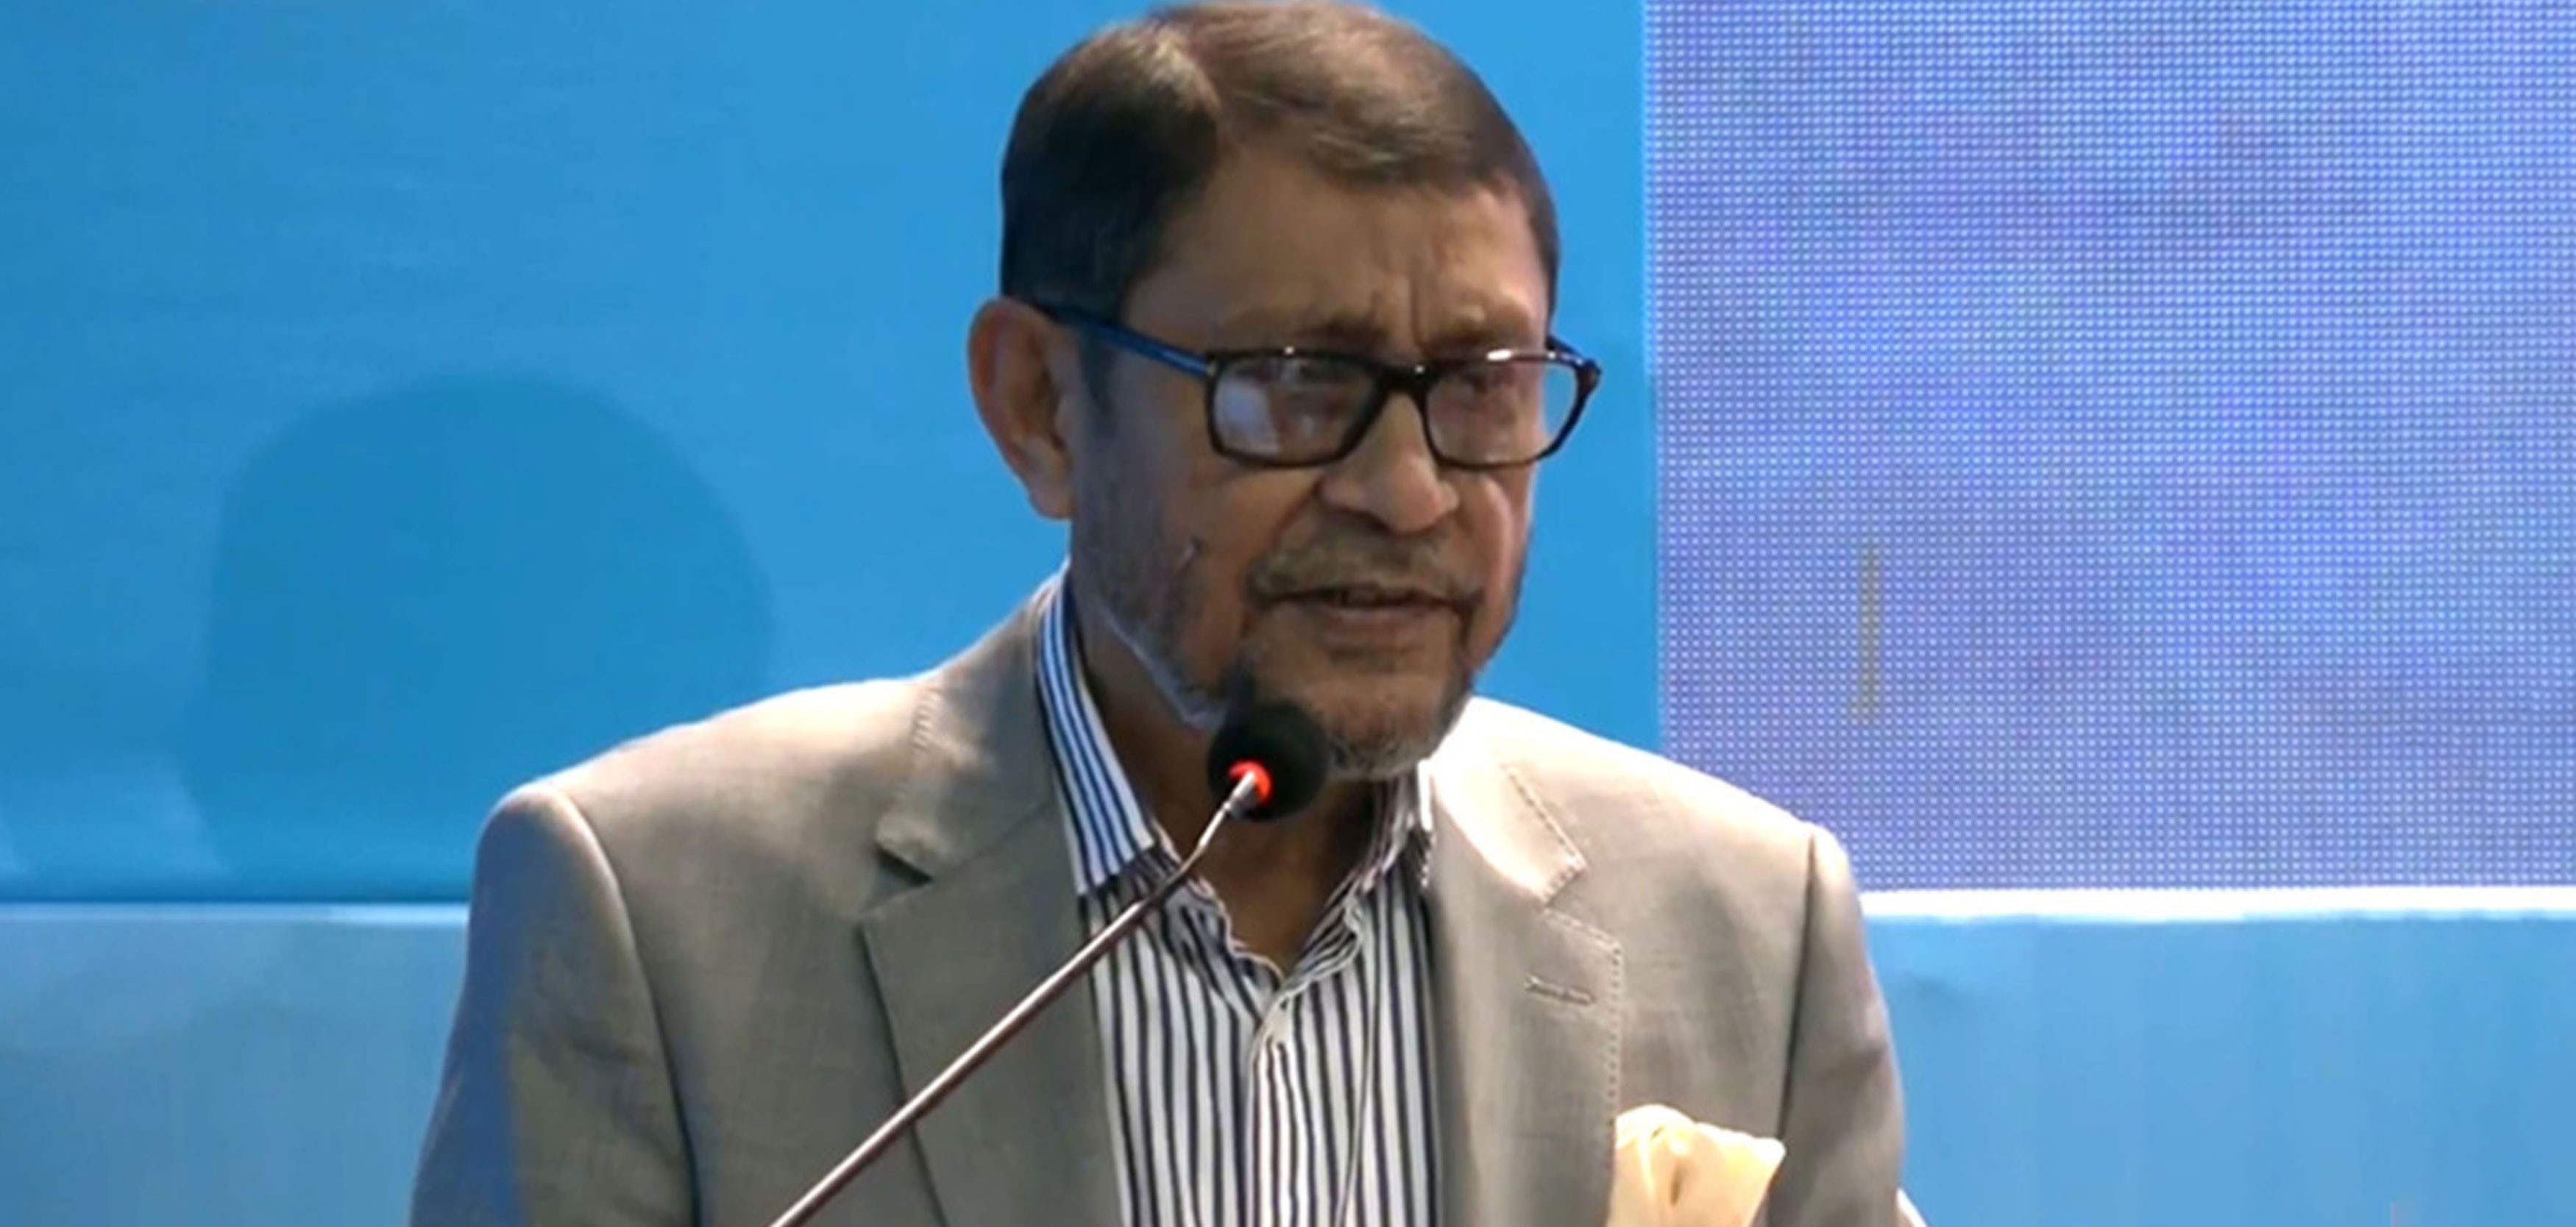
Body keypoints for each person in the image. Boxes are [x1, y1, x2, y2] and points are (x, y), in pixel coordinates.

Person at [411, 3, 1910, 1226]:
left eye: (1477, 387)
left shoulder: (1740, 927)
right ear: (1040, 405)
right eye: (1295, 385)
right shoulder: (660, 921)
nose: (1408, 492)